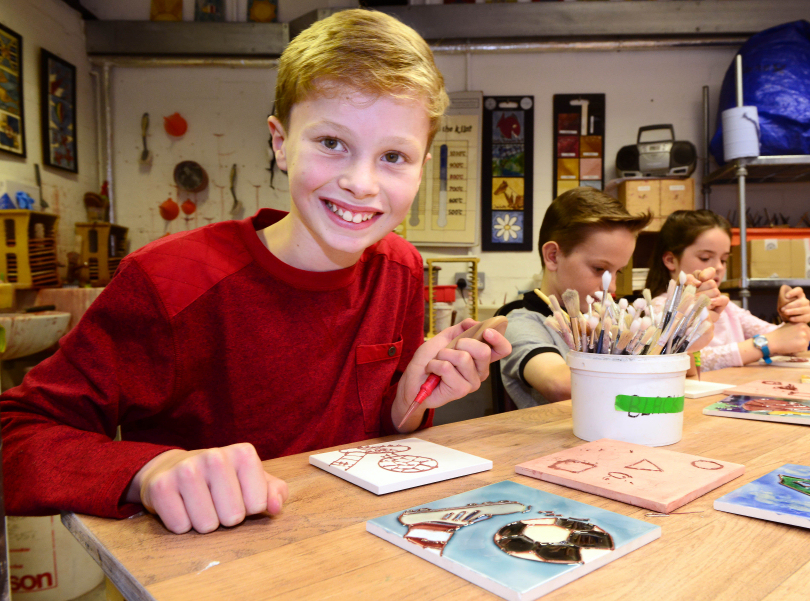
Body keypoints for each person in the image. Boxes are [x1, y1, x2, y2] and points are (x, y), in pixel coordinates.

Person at [0, 9, 510, 535]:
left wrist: (407, 400)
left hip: (355, 554)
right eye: (332, 143)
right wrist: (148, 470)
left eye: (394, 156)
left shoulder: (399, 268)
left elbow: (376, 431)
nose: (361, 182)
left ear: (424, 164)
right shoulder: (169, 282)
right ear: (279, 142)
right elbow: (16, 433)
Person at [500, 188, 724, 408]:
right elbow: (562, 385)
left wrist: (682, 332)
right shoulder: (520, 323)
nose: (613, 286)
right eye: (599, 268)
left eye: (618, 271)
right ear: (552, 256)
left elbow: (688, 374)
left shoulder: (616, 318)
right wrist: (657, 354)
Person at [646, 209, 810, 371]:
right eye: (705, 258)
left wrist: (792, 318)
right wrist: (764, 345)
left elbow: (787, 339)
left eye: (724, 259)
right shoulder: (659, 309)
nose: (718, 267)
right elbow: (684, 361)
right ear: (670, 260)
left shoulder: (727, 308)